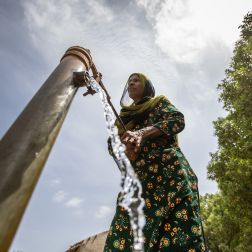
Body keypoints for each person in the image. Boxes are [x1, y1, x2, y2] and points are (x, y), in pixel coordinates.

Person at [103, 73, 207, 251]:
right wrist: (125, 150)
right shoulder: (123, 119)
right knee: (124, 238)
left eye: (136, 80)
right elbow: (112, 146)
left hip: (169, 175)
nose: (131, 84)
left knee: (178, 232)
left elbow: (176, 120)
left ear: (146, 86)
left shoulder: (158, 102)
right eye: (129, 82)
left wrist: (141, 133)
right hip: (139, 183)